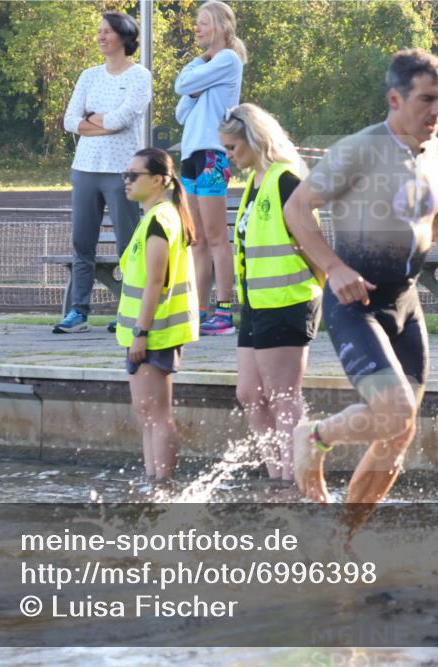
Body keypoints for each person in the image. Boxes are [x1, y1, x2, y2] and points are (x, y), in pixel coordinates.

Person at [282, 49, 438, 505]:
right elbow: (296, 208)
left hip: (406, 304)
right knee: (394, 411)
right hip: (356, 301)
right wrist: (334, 267)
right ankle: (314, 437)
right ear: (395, 99)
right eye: (426, 99)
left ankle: (345, 542)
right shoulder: (359, 150)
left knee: (399, 431)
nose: (437, 110)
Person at [218, 104, 324, 482]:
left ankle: (294, 478)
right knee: (249, 392)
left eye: (232, 148)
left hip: (288, 300)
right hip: (257, 303)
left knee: (284, 397)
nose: (228, 156)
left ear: (254, 139)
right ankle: (277, 469)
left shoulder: (285, 180)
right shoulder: (254, 183)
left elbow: (312, 239)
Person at [58, 11, 152, 334]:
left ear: (124, 37)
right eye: (99, 31)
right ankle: (78, 312)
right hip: (84, 169)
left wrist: (92, 120)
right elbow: (70, 121)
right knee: (82, 242)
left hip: (122, 171)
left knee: (129, 245)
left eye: (107, 31)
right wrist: (100, 122)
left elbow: (122, 119)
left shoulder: (140, 77)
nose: (100, 37)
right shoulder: (88, 76)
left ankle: (128, 311)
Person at [115, 148, 199, 480]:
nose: (127, 181)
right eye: (126, 174)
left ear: (159, 180)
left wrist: (141, 332)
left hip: (154, 332)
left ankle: (162, 485)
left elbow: (155, 283)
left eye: (134, 175)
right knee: (146, 412)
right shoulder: (155, 217)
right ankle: (153, 481)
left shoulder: (161, 220)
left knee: (157, 414)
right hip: (149, 332)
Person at [174, 0, 246, 336]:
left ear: (218, 25)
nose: (197, 28)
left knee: (217, 238)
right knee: (198, 240)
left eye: (203, 23)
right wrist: (197, 76)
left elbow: (181, 85)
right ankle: (199, 310)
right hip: (190, 155)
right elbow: (181, 111)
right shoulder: (206, 65)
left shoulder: (228, 59)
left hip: (213, 155)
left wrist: (195, 76)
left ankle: (224, 311)